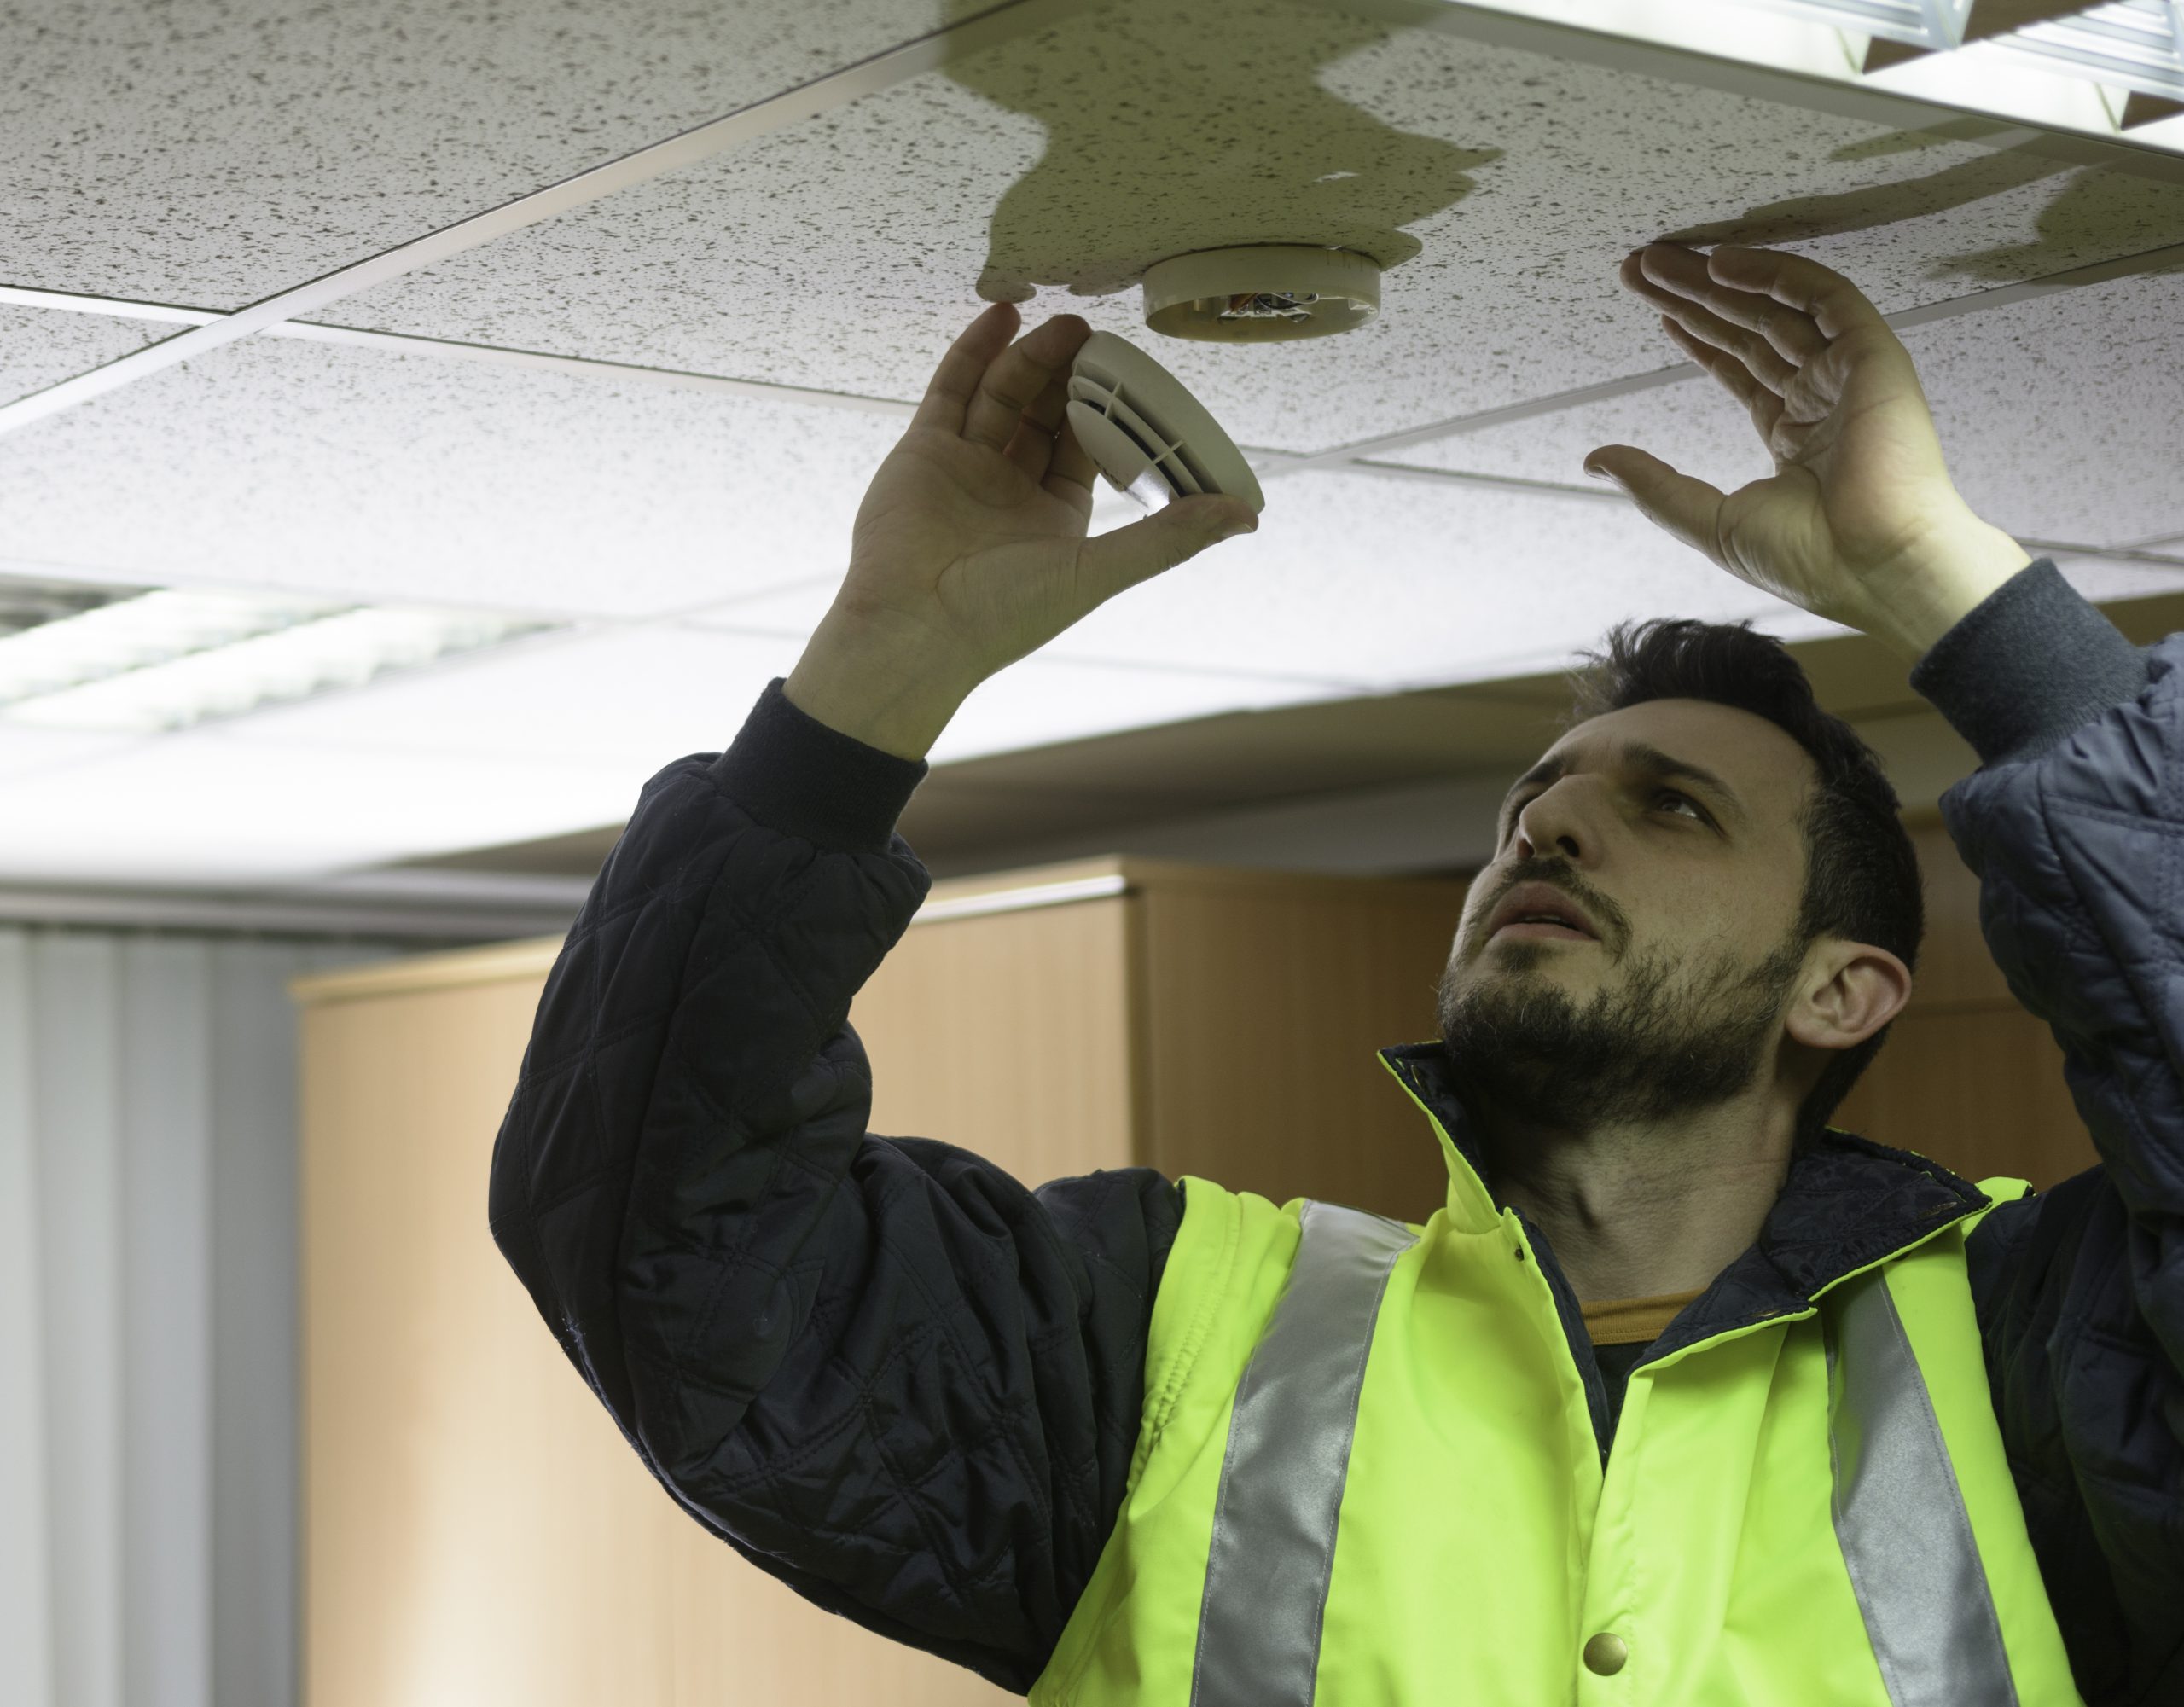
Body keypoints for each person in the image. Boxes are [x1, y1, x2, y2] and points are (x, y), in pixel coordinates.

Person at [485, 245, 2181, 1704]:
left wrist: (1935, 583)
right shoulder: (1167, 1328)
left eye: (1663, 806)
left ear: (1840, 990)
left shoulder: (2040, 1347)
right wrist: (878, 664)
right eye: (1534, 803)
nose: (1551, 832)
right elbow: (665, 1250)